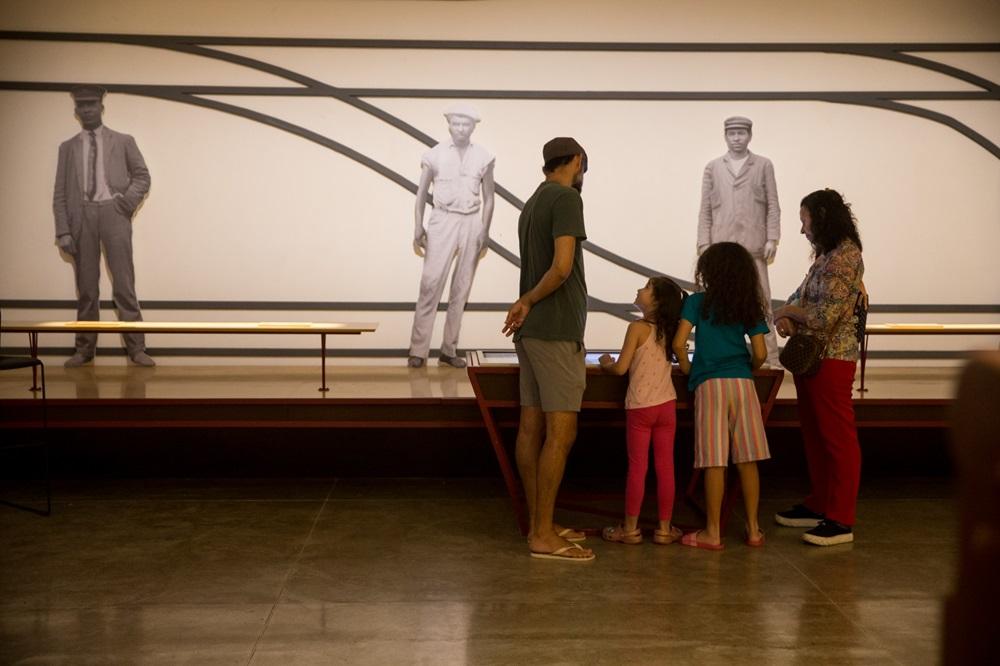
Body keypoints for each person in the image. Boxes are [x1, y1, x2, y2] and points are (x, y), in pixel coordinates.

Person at [502, 137, 593, 562]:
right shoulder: (565, 198)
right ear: (575, 162)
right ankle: (542, 533)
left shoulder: (533, 201)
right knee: (562, 431)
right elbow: (561, 267)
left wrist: (526, 304)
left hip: (535, 332)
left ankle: (541, 523)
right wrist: (530, 300)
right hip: (555, 329)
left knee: (530, 426)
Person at [773, 189, 865, 546]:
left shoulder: (844, 258)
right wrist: (790, 313)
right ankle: (821, 503)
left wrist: (788, 314)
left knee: (837, 438)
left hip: (833, 359)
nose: (802, 230)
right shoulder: (827, 256)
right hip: (815, 359)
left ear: (821, 217)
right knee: (816, 434)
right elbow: (800, 298)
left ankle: (841, 518)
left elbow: (823, 316)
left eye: (804, 221)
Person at [672, 242, 771, 550]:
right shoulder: (747, 305)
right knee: (748, 458)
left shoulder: (697, 303)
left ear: (708, 271)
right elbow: (760, 352)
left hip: (709, 385)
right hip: (742, 384)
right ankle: (754, 529)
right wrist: (747, 368)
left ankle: (713, 532)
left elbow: (678, 344)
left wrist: (690, 368)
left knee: (714, 460)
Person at [53, 85, 154, 368]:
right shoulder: (67, 148)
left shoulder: (123, 141)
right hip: (81, 217)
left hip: (114, 213)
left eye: (92, 104)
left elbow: (143, 177)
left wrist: (126, 203)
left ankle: (137, 348)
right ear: (76, 111)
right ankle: (85, 350)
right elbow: (60, 192)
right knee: (86, 288)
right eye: (82, 106)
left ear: (101, 107)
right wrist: (63, 230)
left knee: (124, 284)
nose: (87, 109)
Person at [599, 277, 686, 546]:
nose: (639, 289)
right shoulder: (669, 329)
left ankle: (631, 529)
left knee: (638, 467)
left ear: (656, 301)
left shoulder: (637, 328)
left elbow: (622, 368)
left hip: (640, 407)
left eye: (647, 288)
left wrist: (605, 364)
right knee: (666, 467)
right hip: (667, 406)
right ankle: (663, 529)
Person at [408, 103, 495, 369]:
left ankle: (449, 349)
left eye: (465, 124)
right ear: (449, 125)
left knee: (461, 287)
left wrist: (485, 229)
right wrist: (418, 226)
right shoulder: (433, 155)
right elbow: (421, 193)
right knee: (430, 283)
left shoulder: (484, 156)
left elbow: (489, 198)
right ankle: (418, 350)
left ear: (473, 126)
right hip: (442, 219)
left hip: (471, 221)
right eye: (456, 123)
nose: (460, 128)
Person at [698, 116, 781, 365]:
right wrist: (704, 243)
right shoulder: (713, 167)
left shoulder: (763, 165)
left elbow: (773, 205)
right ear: (725, 136)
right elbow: (705, 209)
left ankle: (771, 358)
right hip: (721, 249)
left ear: (750, 135)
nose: (736, 138)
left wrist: (772, 238)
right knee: (717, 304)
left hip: (754, 247)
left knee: (762, 302)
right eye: (732, 133)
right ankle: (718, 354)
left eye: (741, 133)